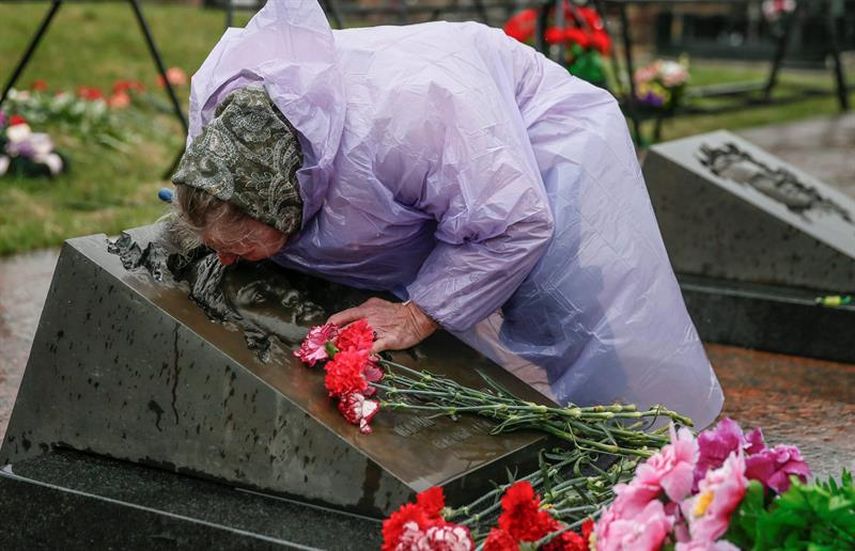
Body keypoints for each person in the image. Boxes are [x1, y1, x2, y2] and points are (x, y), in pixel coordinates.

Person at [172, 1, 724, 428]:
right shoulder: (230, 140)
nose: (223, 258)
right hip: (434, 157)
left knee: (567, 320)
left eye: (239, 247)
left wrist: (418, 313)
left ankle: (648, 451)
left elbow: (516, 223)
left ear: (283, 203)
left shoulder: (409, 124)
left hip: (526, 143)